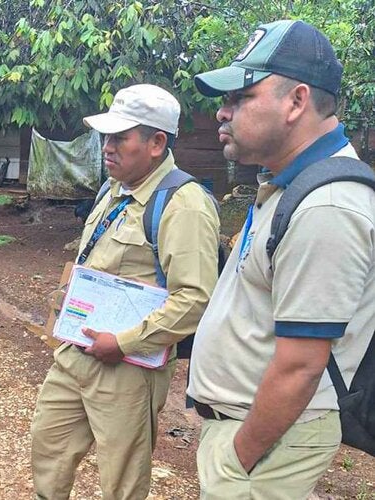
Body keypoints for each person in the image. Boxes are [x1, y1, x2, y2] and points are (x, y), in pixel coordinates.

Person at [187, 19, 375, 498]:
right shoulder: (287, 183)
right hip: (256, 432)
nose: (221, 114)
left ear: (297, 101)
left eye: (240, 98)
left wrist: (238, 458)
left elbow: (300, 367)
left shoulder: (326, 206)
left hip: (266, 441)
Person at [30, 84, 221, 500]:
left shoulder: (183, 204)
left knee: (121, 481)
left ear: (156, 143)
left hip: (127, 370)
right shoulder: (112, 190)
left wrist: (123, 342)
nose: (107, 147)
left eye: (120, 137)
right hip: (74, 353)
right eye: (106, 136)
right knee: (48, 450)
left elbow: (194, 298)